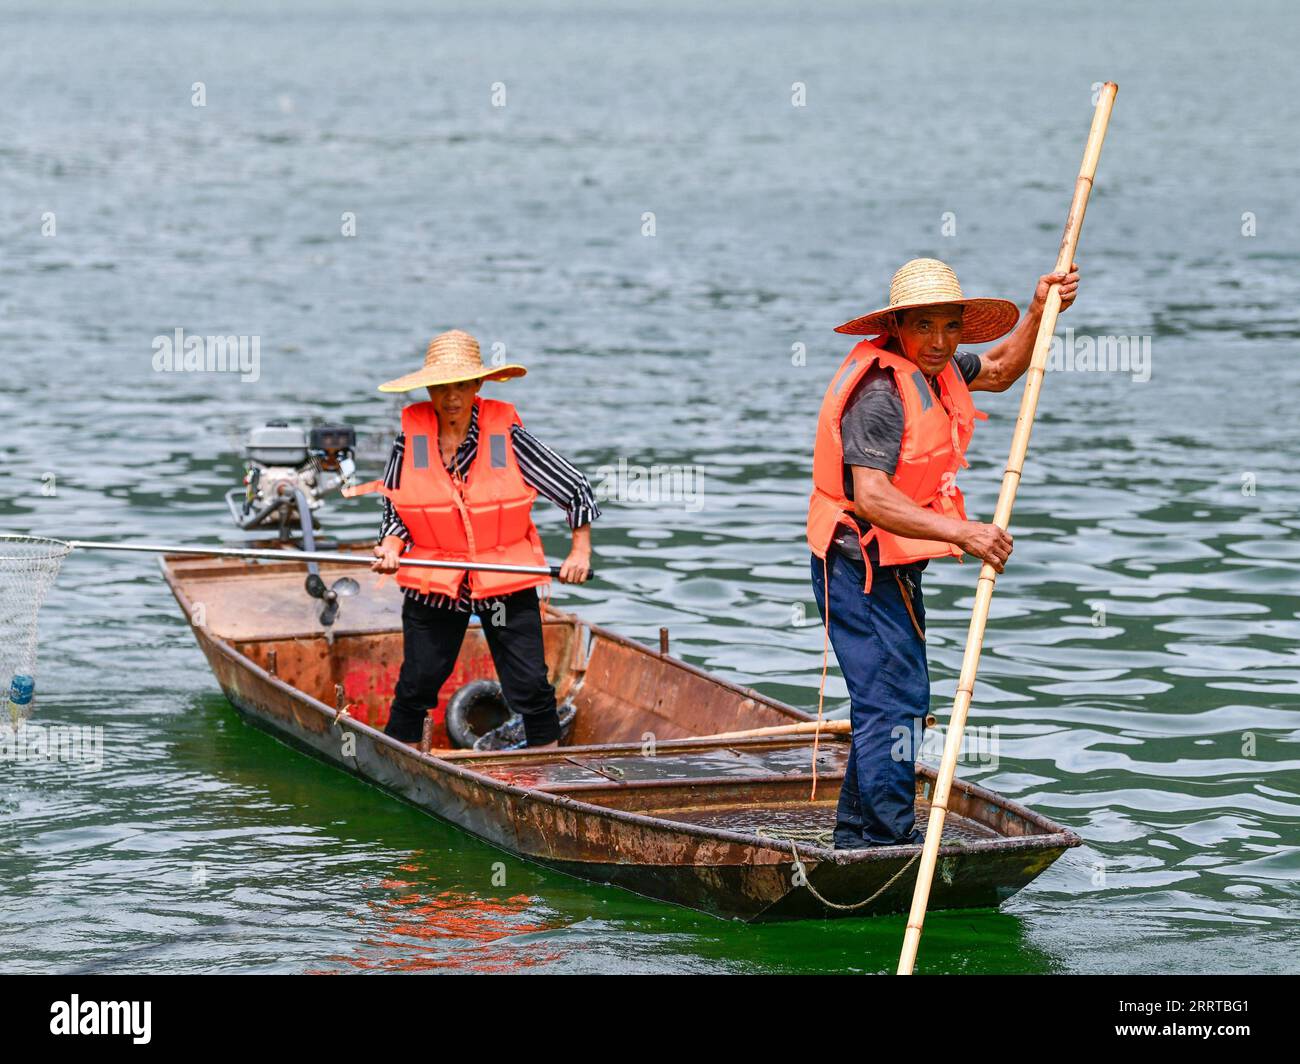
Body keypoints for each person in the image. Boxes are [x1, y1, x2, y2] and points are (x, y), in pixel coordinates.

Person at [807, 257, 1079, 848]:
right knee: (893, 704)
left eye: (949, 327)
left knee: (897, 700)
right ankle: (884, 840)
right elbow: (871, 496)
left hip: (895, 565)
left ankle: (859, 836)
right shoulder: (881, 393)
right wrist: (965, 533)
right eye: (924, 327)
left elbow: (1006, 367)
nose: (937, 342)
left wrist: (1040, 309)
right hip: (856, 564)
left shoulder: (940, 369)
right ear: (899, 326)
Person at [349, 329, 600, 750]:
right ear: (429, 389)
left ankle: (550, 770)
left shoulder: (508, 437)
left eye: (461, 385)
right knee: (417, 683)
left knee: (531, 688)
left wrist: (580, 550)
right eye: (442, 387)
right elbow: (397, 506)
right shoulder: (408, 442)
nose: (451, 397)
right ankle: (395, 758)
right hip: (437, 578)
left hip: (502, 575)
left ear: (478, 385)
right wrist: (390, 547)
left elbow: (574, 487)